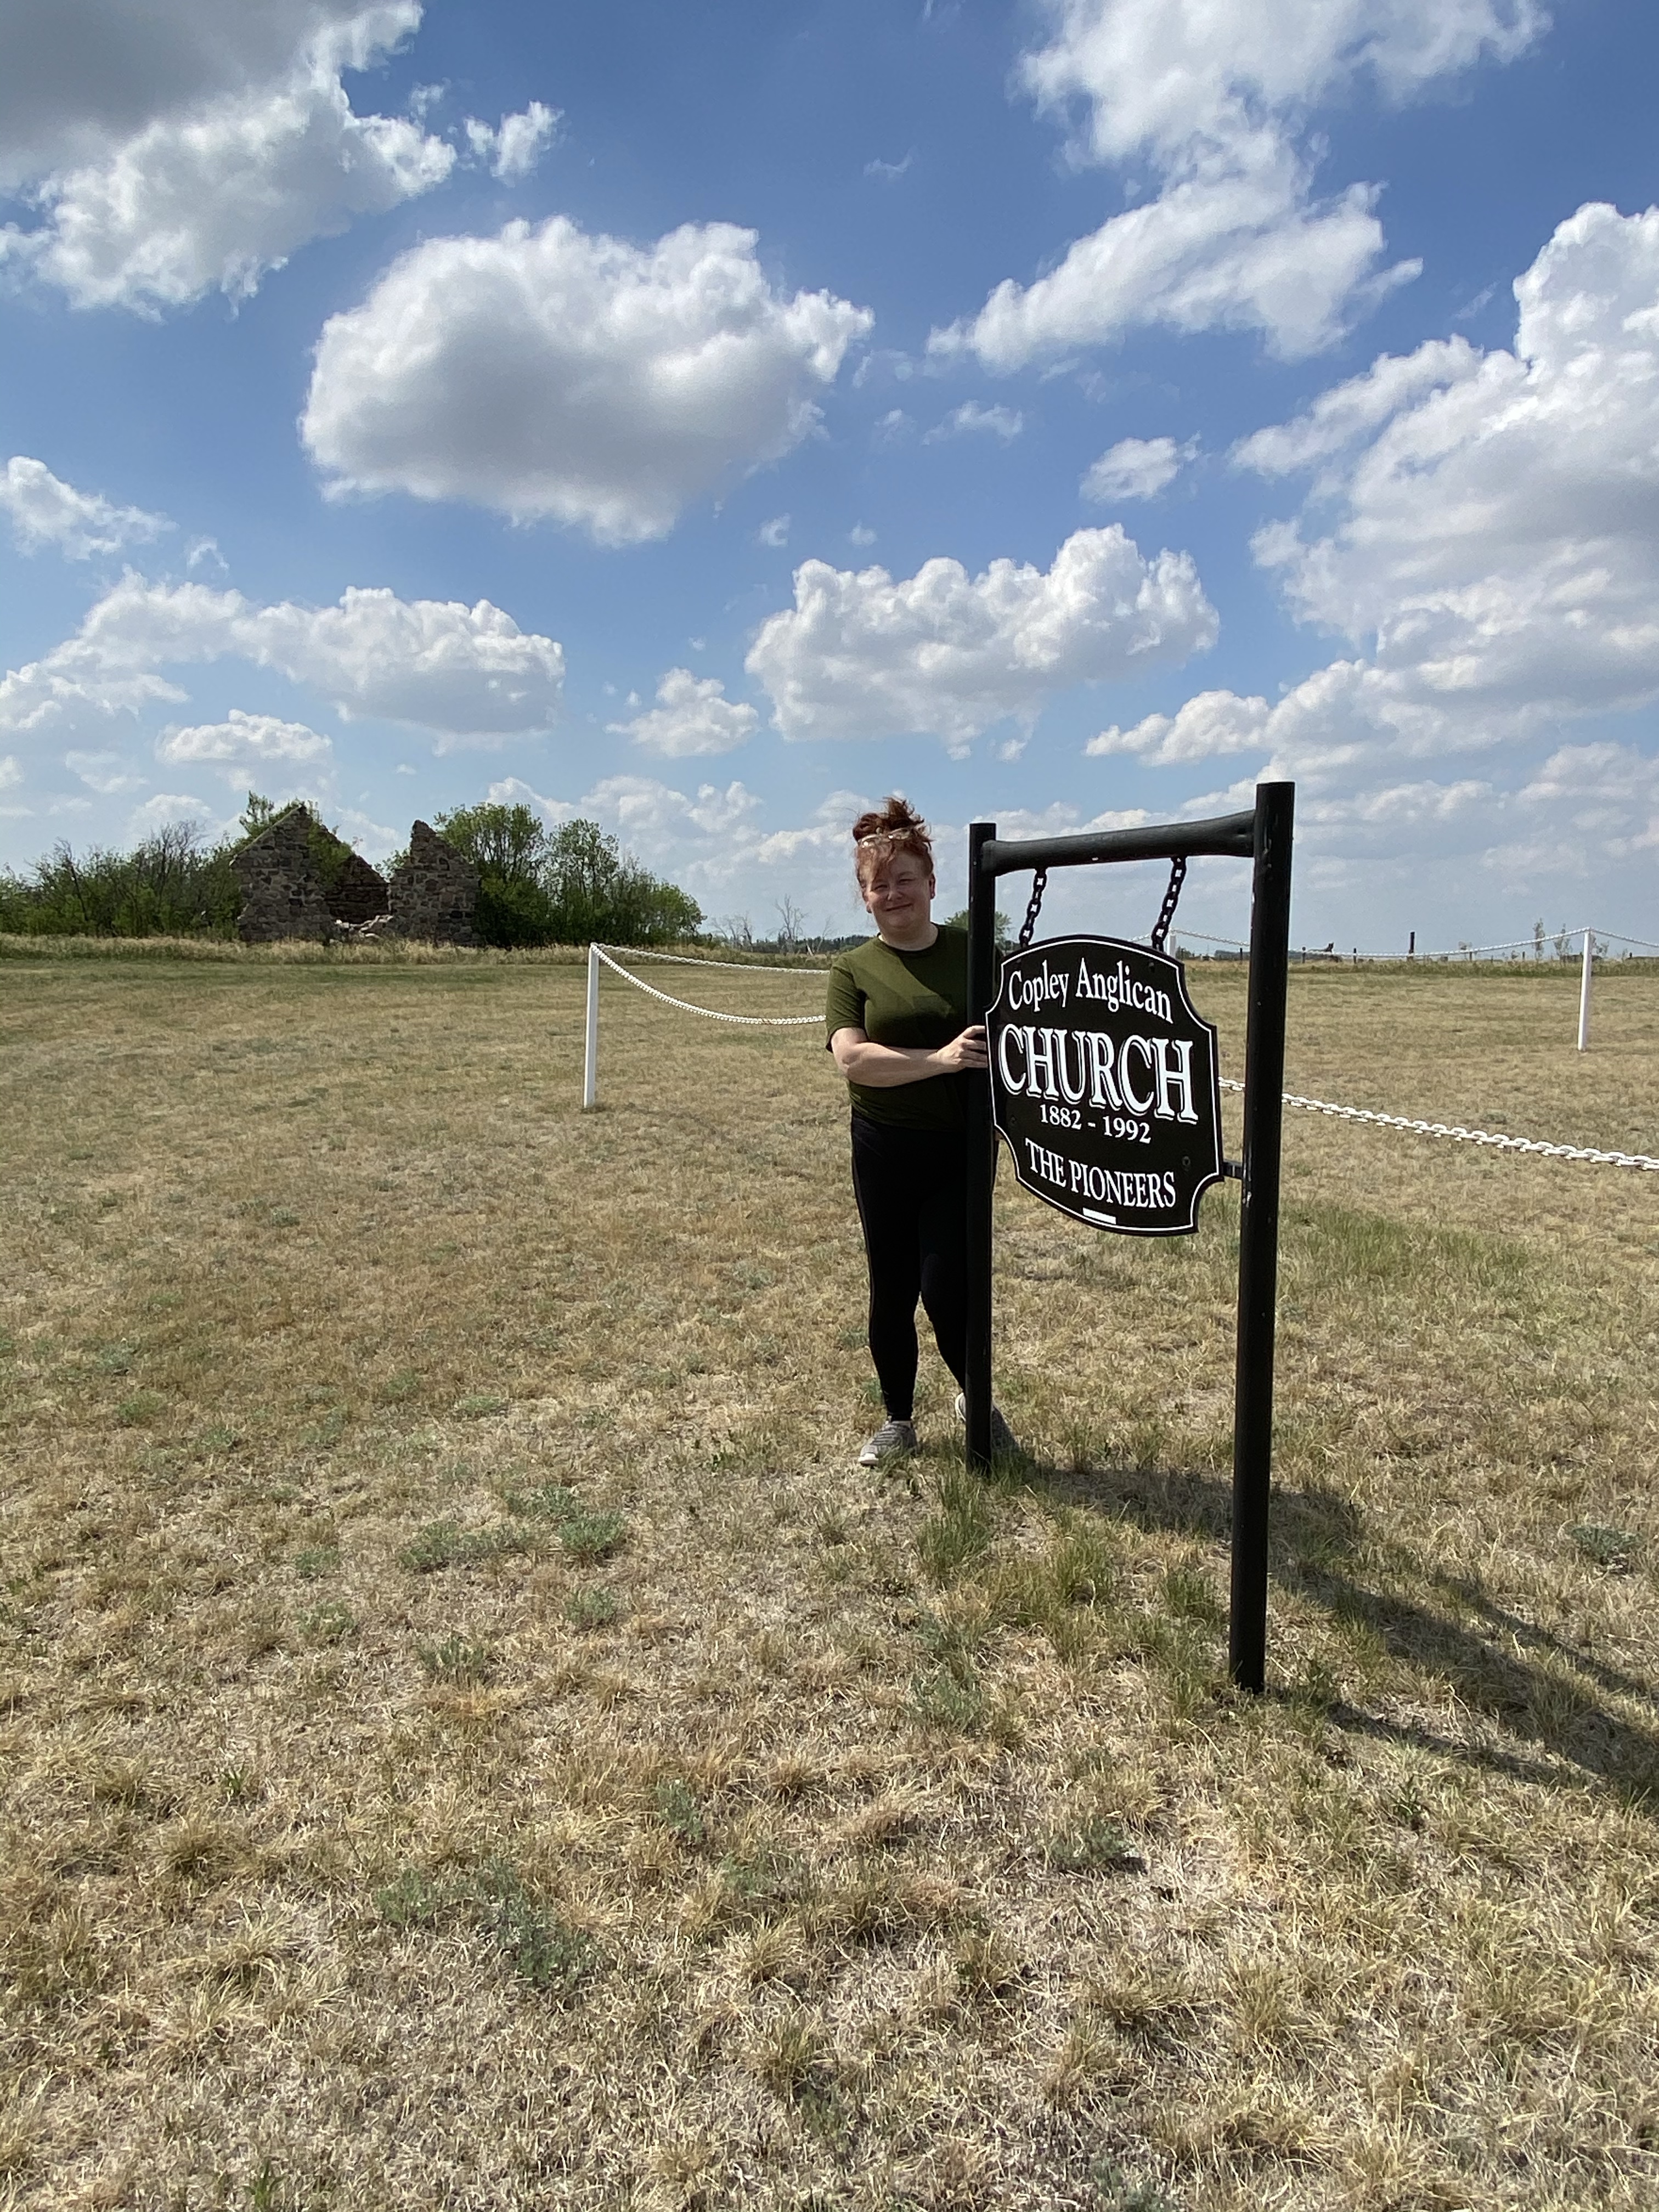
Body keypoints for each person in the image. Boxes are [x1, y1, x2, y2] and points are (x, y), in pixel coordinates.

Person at [825, 797, 1017, 1466]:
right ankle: (898, 1419)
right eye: (879, 884)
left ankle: (976, 1400)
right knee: (892, 1288)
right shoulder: (852, 970)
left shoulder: (977, 953)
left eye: (905, 879)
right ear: (865, 898)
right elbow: (853, 1059)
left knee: (947, 1288)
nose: (894, 893)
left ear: (933, 884)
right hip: (884, 1147)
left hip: (961, 1148)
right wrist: (941, 1060)